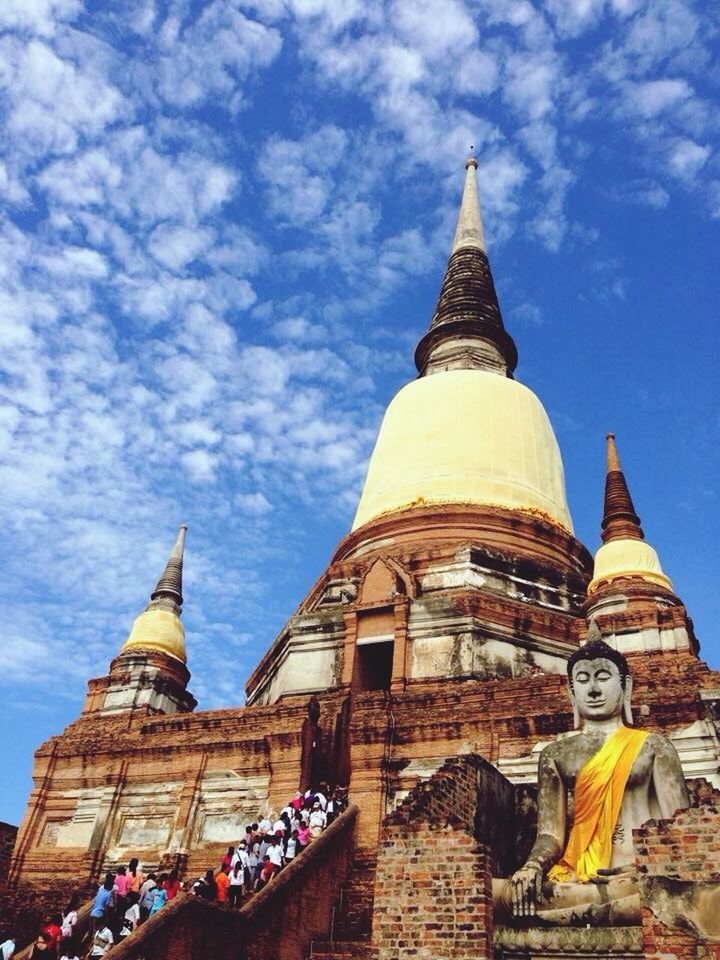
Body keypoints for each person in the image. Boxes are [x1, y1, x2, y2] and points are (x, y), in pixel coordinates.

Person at [497, 635, 689, 925]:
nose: (594, 689)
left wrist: (650, 866)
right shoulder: (556, 754)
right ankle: (602, 910)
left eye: (602, 677)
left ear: (626, 687)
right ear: (572, 694)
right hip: (577, 878)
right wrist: (532, 867)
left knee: (672, 895)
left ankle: (608, 909)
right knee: (498, 894)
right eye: (583, 680)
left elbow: (679, 829)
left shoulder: (654, 748)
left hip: (640, 875)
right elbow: (551, 835)